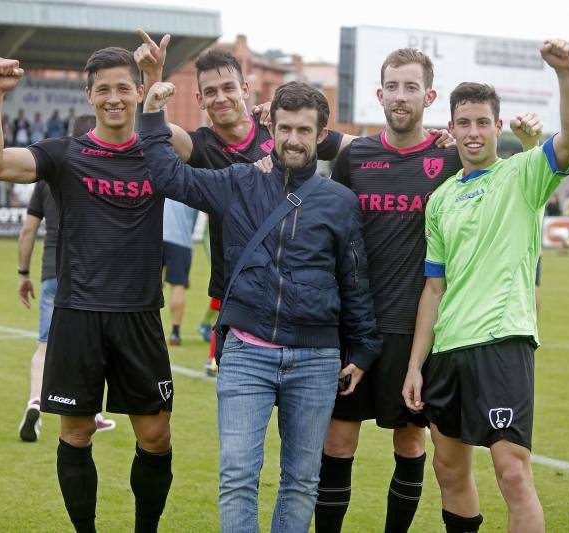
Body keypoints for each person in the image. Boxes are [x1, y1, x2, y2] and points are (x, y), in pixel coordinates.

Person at [312, 47, 542, 533]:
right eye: (392, 87)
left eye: (411, 87)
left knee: (412, 445)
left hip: (414, 327)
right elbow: (328, 172)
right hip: (353, 325)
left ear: (429, 95)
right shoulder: (357, 155)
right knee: (337, 444)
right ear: (379, 94)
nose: (400, 96)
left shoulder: (447, 154)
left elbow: (499, 169)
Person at [140, 78, 382, 533]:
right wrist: (152, 114)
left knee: (301, 482)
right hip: (246, 354)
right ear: (271, 128)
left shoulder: (340, 202)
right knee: (236, 478)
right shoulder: (238, 181)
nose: (293, 139)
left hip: (315, 359)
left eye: (304, 131)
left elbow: (354, 280)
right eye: (286, 128)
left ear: (320, 134)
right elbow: (167, 176)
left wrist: (364, 351)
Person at [0, 48, 174, 533]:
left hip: (140, 315)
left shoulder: (160, 152)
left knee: (155, 436)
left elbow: (221, 146)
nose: (113, 98)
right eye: (103, 89)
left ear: (138, 92)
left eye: (123, 87)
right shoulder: (63, 154)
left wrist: (158, 79)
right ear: (89, 95)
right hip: (77, 313)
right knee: (77, 432)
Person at [403, 39, 569, 533]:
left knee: (512, 474)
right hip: (448, 351)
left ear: (498, 127)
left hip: (503, 345)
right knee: (448, 470)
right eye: (464, 122)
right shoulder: (439, 201)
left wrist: (565, 74)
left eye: (483, 121)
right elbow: (433, 290)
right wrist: (416, 365)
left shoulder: (523, 175)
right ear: (453, 128)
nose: (473, 131)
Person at [135, 31, 349, 375]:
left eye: (228, 88)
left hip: (299, 295)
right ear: (200, 100)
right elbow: (150, 128)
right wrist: (152, 78)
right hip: (240, 300)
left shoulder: (280, 130)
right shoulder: (198, 146)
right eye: (210, 92)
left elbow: (359, 148)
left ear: (245, 91)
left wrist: (431, 146)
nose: (221, 98)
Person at [16, 179, 116, 442]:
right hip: (88, 273)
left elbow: (28, 230)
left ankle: (35, 402)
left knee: (44, 346)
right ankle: (91, 413)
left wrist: (23, 273)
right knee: (91, 346)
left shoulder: (46, 181)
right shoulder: (97, 174)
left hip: (52, 272)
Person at [162, 198, 199, 346]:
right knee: (178, 286)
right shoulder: (194, 180)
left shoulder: (161, 177)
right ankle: (175, 334)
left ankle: (145, 328)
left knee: (150, 285)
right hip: (180, 241)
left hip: (154, 235)